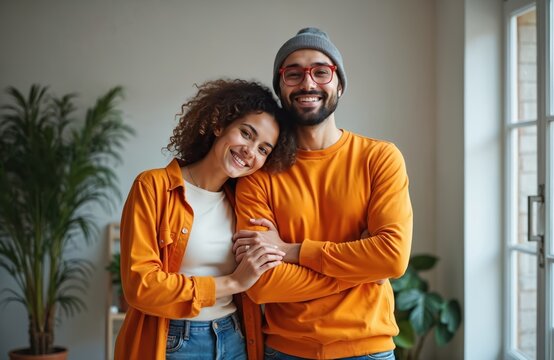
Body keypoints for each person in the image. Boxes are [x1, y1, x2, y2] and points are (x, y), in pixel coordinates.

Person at [232, 28, 413, 359]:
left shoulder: (380, 158)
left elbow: (392, 258)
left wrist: (293, 251)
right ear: (280, 87)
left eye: (320, 71)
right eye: (293, 73)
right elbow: (261, 284)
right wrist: (359, 271)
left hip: (368, 350)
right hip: (286, 351)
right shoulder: (259, 172)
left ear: (339, 85)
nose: (308, 83)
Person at [114, 79, 296, 360]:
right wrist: (233, 283)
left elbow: (271, 265)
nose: (251, 151)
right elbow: (141, 286)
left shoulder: (243, 204)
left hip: (235, 338)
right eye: (246, 134)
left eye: (263, 149)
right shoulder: (153, 187)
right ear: (219, 124)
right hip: (172, 341)